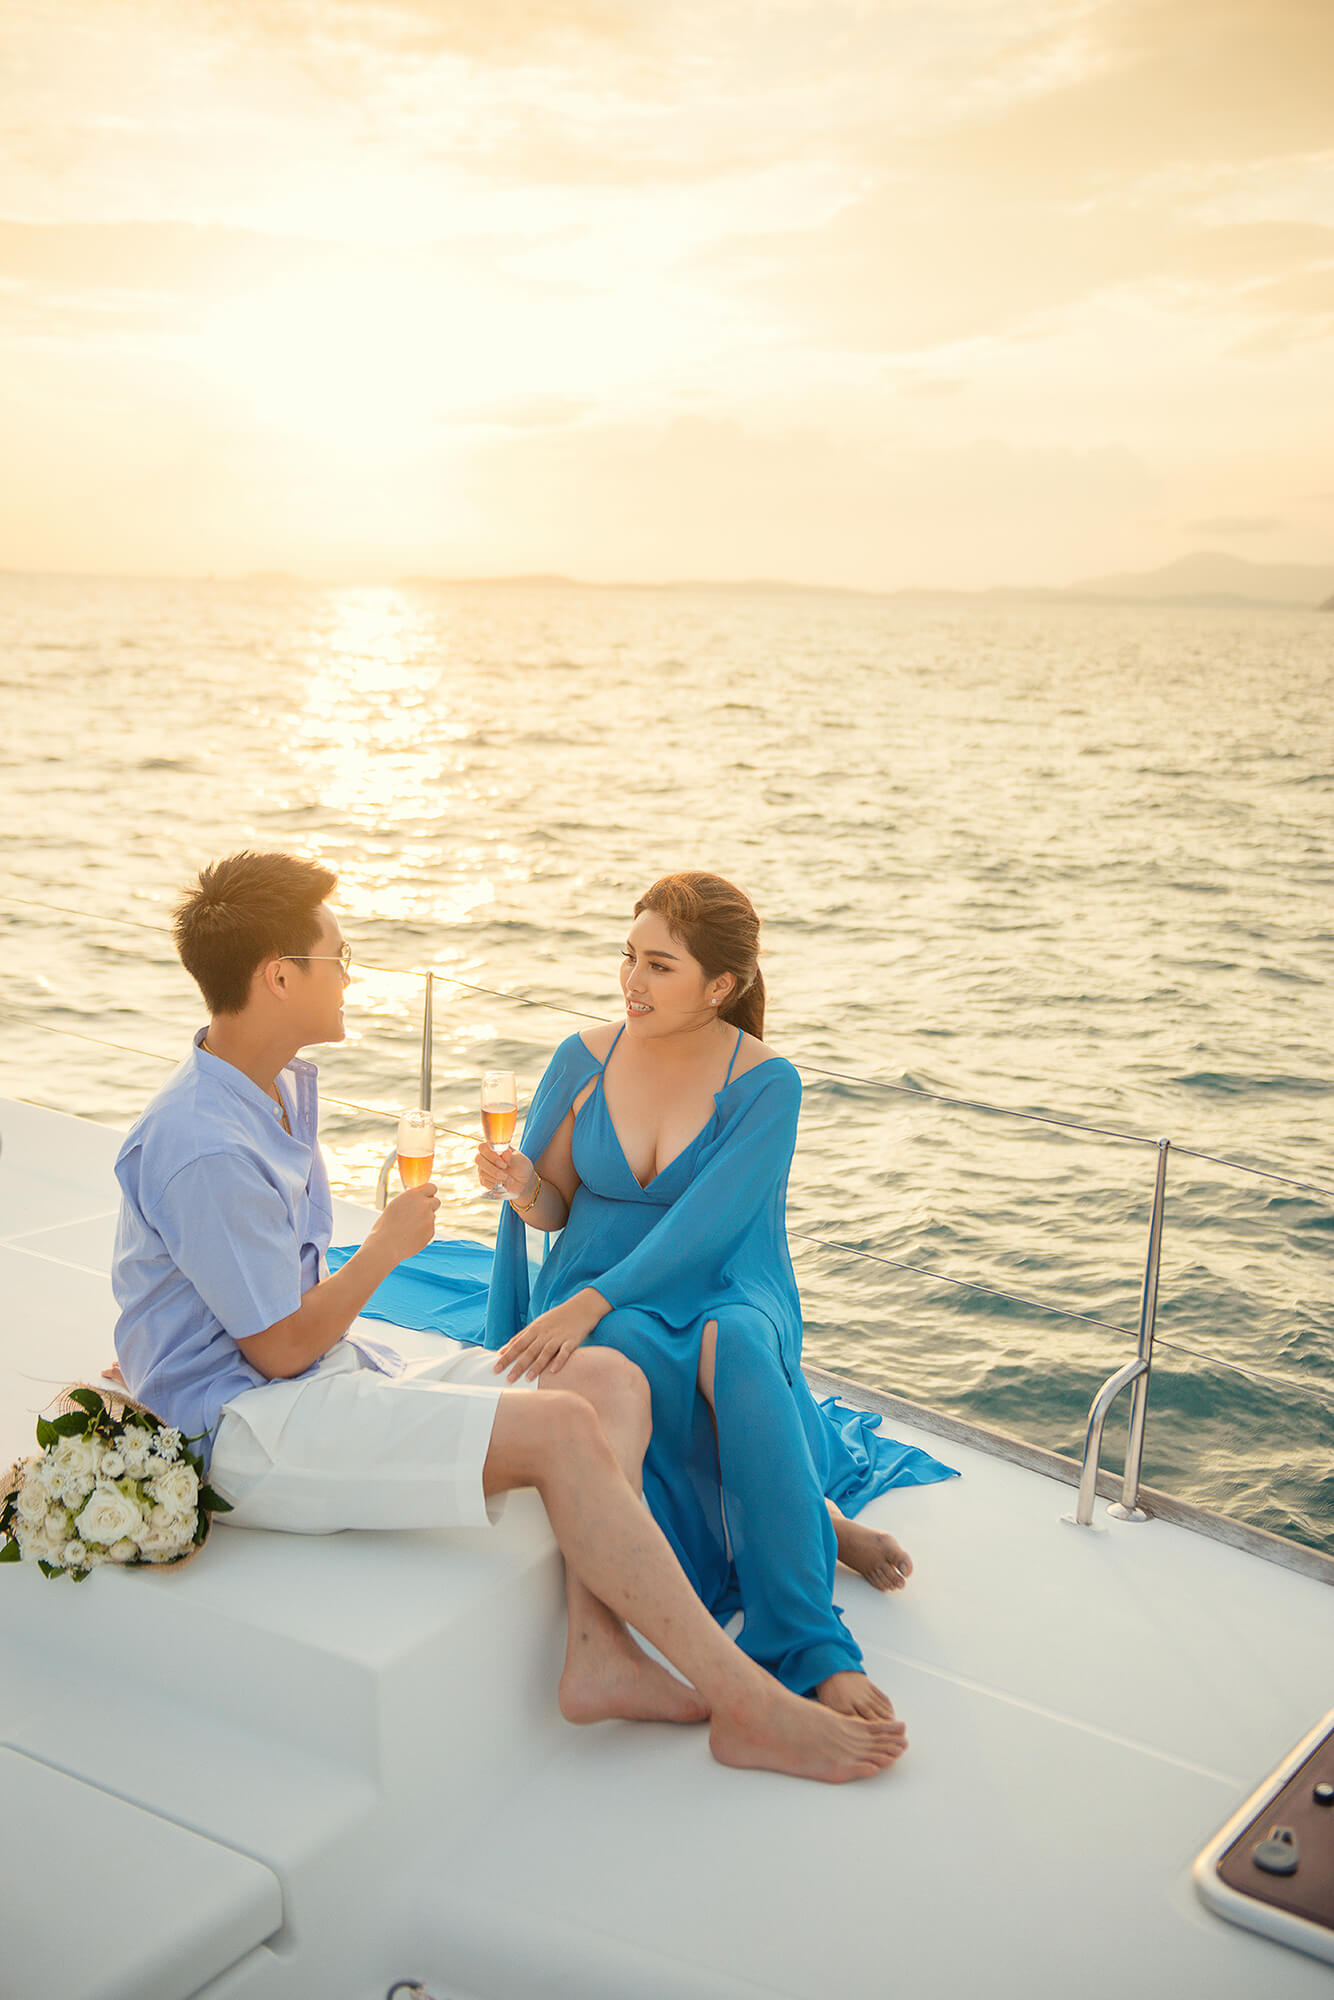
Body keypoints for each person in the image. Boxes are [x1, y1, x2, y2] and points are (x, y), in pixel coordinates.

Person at [111, 850, 905, 1785]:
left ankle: (599, 1649)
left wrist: (160, 1342)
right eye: (339, 953)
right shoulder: (204, 1141)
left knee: (612, 1375)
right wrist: (386, 1251)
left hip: (324, 1379)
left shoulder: (274, 1092)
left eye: (660, 963)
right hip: (259, 1423)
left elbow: (227, 1295)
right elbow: (279, 1348)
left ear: (719, 985)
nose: (352, 968)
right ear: (281, 976)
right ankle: (748, 1702)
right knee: (570, 1420)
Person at [480, 873, 953, 1723]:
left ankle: (808, 1643)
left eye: (661, 967)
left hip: (726, 1276)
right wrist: (522, 1188)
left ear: (721, 985)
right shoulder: (581, 1058)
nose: (632, 982)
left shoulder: (768, 1083)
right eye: (629, 957)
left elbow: (707, 1227)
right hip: (598, 1285)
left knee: (734, 1344)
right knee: (625, 1348)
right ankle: (813, 1519)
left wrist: (589, 1305)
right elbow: (551, 1207)